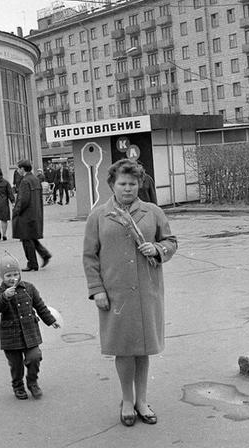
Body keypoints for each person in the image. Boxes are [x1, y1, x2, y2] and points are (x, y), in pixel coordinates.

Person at [82, 159, 177, 427]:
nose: (127, 189)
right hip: (115, 295)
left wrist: (157, 249)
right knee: (124, 349)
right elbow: (90, 257)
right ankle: (126, 400)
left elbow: (171, 241)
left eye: (132, 184)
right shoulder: (98, 216)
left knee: (143, 348)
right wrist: (96, 290)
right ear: (112, 184)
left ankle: (142, 400)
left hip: (147, 292)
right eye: (122, 183)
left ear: (140, 184)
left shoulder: (153, 212)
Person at [0, 253, 60, 400]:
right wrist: (5, 297)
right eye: (8, 275)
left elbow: (40, 306)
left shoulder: (29, 288)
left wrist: (51, 320)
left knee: (35, 357)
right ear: (2, 277)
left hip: (30, 332)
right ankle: (18, 386)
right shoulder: (0, 292)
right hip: (11, 336)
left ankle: (32, 382)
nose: (13, 278)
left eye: (15, 274)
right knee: (16, 366)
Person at [12, 159, 52, 271]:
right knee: (31, 237)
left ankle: (32, 263)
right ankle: (44, 254)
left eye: (18, 168)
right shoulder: (35, 179)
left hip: (26, 214)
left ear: (22, 169)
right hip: (35, 212)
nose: (17, 170)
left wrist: (16, 211)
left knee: (26, 238)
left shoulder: (25, 181)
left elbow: (23, 200)